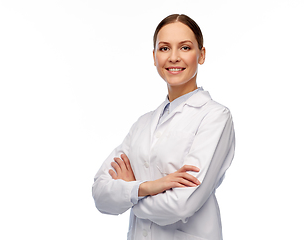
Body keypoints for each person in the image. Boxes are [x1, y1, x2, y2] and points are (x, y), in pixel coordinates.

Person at [92, 14, 235, 240]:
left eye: (185, 47)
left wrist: (130, 194)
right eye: (165, 48)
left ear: (202, 54)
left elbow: (182, 204)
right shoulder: (143, 124)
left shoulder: (215, 117)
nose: (174, 57)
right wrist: (148, 187)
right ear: (154, 56)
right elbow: (100, 194)